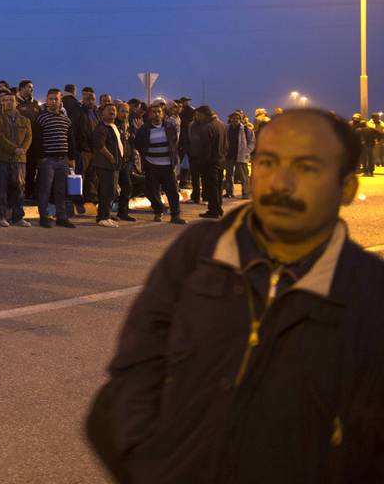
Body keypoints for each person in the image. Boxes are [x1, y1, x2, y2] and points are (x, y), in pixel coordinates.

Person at [88, 109, 384, 482]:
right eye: (268, 162)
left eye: (307, 168)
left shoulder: (370, 292)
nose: (281, 182)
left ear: (347, 189)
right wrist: (147, 462)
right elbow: (136, 365)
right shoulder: (200, 252)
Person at [134, 101, 184, 224]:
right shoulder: (144, 129)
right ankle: (158, 211)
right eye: (154, 112)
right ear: (150, 114)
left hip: (167, 165)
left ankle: (175, 215)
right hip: (152, 165)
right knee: (152, 191)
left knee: (172, 191)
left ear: (162, 114)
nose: (156, 114)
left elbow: (174, 142)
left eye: (159, 112)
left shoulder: (169, 127)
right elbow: (139, 144)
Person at [35, 89, 77, 228]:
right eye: (51, 99)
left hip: (63, 160)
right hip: (48, 160)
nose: (53, 102)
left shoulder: (66, 119)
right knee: (45, 189)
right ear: (47, 101)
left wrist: (71, 158)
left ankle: (61, 216)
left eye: (56, 99)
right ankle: (44, 216)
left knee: (61, 190)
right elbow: (37, 140)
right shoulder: (41, 118)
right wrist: (41, 158)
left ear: (61, 102)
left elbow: (71, 140)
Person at [0, 91, 32, 227]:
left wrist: (22, 150)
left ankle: (18, 217)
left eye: (11, 100)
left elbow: (28, 137)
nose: (8, 102)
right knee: (1, 189)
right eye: (5, 100)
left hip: (20, 161)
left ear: (16, 103)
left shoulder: (25, 120)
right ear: (2, 103)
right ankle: (0, 217)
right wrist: (14, 149)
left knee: (19, 189)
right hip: (3, 159)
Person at [189, 105, 225, 218]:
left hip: (209, 162)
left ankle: (213, 210)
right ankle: (218, 208)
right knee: (218, 185)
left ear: (204, 114)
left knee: (211, 186)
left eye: (198, 115)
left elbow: (205, 147)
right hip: (220, 160)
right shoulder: (221, 124)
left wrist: (202, 162)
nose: (197, 117)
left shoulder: (207, 127)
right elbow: (226, 144)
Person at [92, 103, 122, 228]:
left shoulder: (113, 126)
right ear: (102, 113)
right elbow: (100, 145)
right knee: (106, 192)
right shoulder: (101, 128)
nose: (112, 111)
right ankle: (102, 218)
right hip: (105, 165)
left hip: (113, 165)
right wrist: (111, 158)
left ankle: (106, 215)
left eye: (114, 110)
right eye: (109, 110)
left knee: (110, 192)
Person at [73, 87, 101, 204]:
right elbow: (74, 132)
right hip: (82, 150)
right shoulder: (78, 112)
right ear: (83, 99)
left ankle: (91, 198)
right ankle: (76, 198)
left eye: (93, 99)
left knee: (92, 176)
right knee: (78, 176)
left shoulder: (96, 113)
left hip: (93, 150)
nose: (91, 101)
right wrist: (75, 150)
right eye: (88, 99)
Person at [226, 111, 255, 196]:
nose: (234, 120)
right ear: (230, 119)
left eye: (237, 118)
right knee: (228, 176)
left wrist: (247, 151)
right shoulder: (227, 128)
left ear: (240, 119)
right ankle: (229, 192)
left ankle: (245, 193)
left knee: (244, 176)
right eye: (233, 118)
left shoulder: (246, 129)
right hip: (229, 155)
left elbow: (252, 142)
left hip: (241, 155)